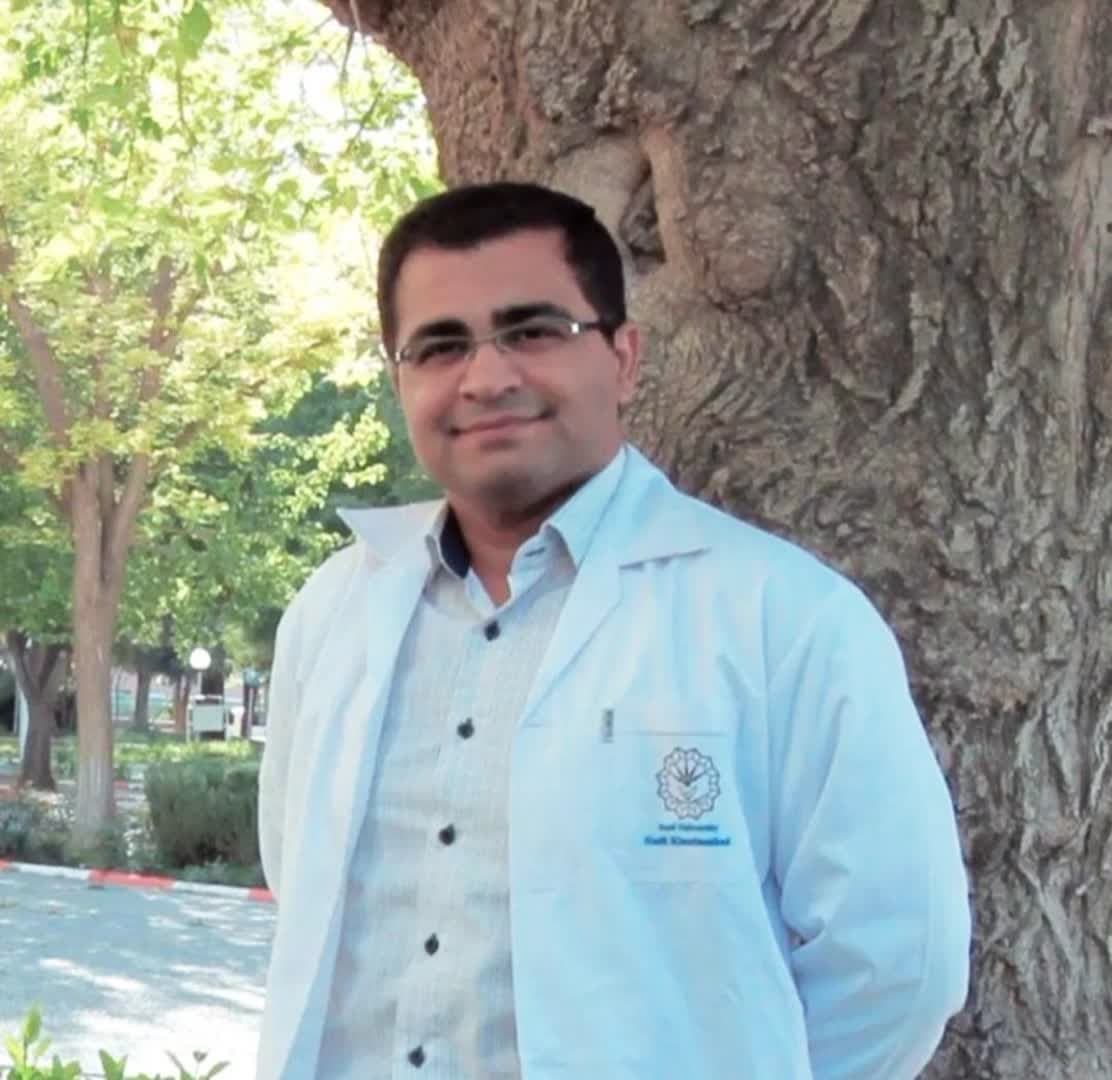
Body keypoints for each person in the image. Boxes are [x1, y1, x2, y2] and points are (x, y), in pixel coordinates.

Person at [256, 181, 971, 1080]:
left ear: (624, 358)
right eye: (439, 346)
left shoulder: (784, 620)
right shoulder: (334, 611)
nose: (487, 378)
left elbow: (899, 967)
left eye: (532, 331)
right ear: (401, 379)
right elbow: (301, 879)